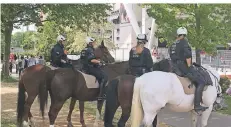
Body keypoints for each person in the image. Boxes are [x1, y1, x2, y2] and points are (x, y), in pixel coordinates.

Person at [169, 27, 208, 113]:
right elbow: (187, 56)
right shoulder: (184, 43)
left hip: (173, 67)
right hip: (183, 67)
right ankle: (197, 105)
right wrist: (190, 66)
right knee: (201, 82)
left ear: (178, 34)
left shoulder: (173, 44)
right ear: (185, 34)